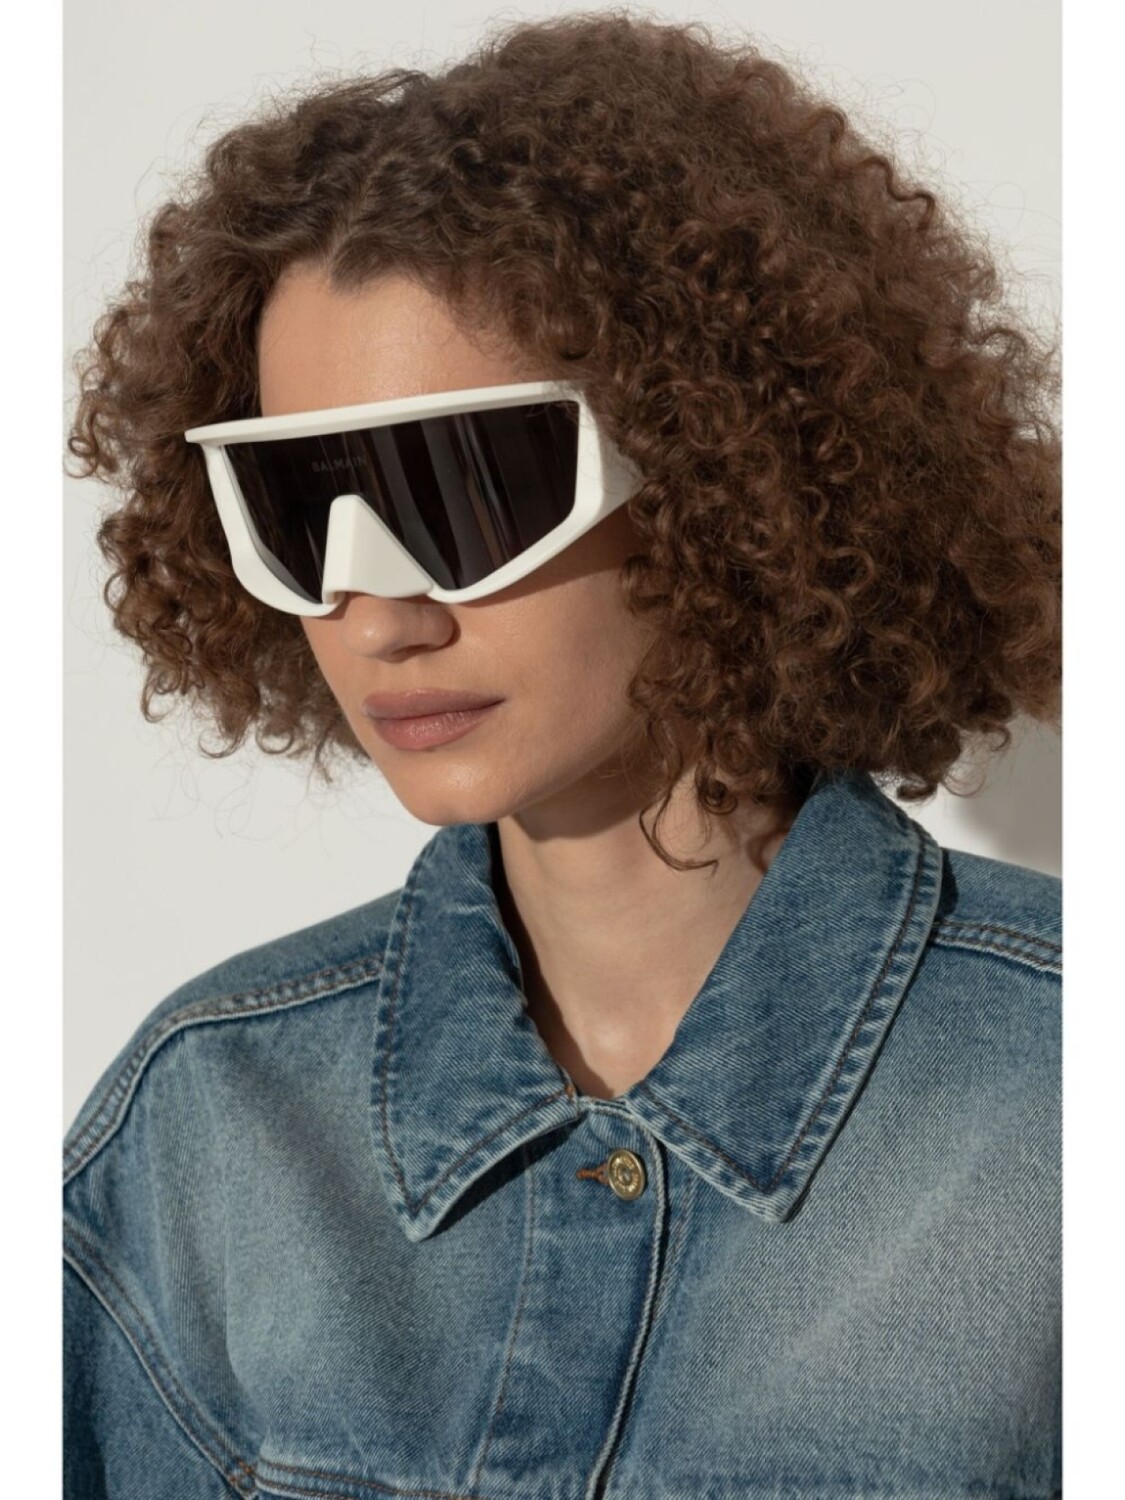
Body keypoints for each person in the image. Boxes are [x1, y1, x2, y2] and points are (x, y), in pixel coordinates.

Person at [63, 11, 1061, 1498]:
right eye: (298, 503)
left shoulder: (1064, 1101)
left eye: (465, 483)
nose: (379, 610)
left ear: (721, 474)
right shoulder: (215, 1122)